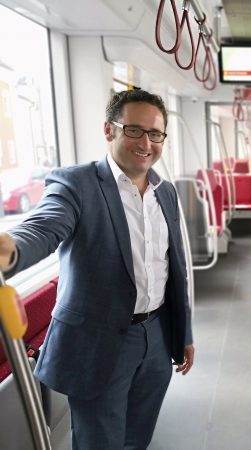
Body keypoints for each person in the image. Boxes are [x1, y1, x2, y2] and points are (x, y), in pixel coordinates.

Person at [0, 89, 195, 450]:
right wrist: (11, 249)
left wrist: (184, 332)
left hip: (156, 335)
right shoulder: (77, 184)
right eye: (134, 130)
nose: (146, 142)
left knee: (138, 438)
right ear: (109, 130)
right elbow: (45, 226)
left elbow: (174, 268)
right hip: (100, 342)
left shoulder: (165, 192)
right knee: (98, 443)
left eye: (155, 134)